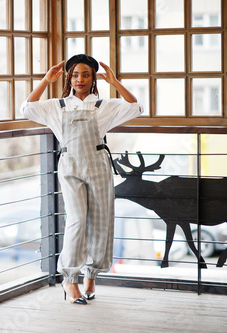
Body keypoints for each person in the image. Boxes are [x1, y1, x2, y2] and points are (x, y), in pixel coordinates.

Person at [20, 54, 143, 304]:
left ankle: (92, 276)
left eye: (86, 74)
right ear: (68, 78)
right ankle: (69, 278)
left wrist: (115, 81)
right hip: (70, 166)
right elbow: (27, 108)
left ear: (94, 77)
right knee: (76, 221)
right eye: (75, 74)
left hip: (98, 165)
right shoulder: (58, 105)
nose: (80, 79)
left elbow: (136, 107)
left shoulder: (103, 105)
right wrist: (45, 80)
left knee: (101, 222)